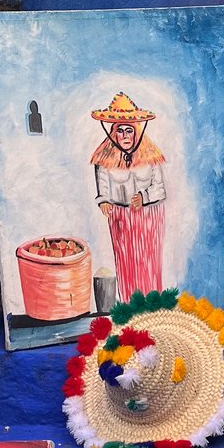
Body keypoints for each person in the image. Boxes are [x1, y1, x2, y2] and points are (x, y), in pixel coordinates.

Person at [90, 93, 167, 301]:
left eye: (129, 131)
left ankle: (152, 302)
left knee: (148, 261)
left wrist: (144, 196)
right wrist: (104, 201)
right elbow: (103, 187)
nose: (124, 136)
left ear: (137, 132)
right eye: (120, 131)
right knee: (127, 261)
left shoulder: (150, 156)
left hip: (148, 216)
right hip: (121, 218)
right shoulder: (103, 158)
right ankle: (129, 302)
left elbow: (159, 188)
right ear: (113, 133)